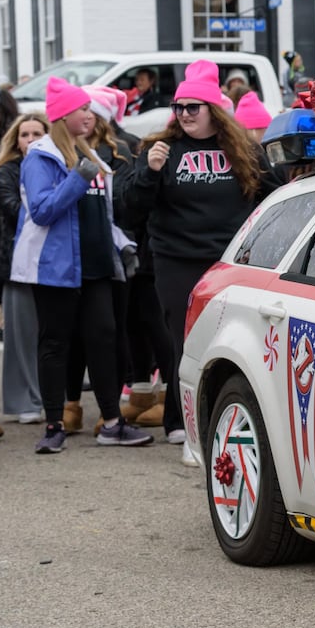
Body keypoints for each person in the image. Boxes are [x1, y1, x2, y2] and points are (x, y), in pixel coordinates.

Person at [118, 60, 282, 446]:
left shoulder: (242, 150)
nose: (185, 114)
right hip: (177, 261)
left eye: (194, 107)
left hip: (231, 264)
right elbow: (129, 210)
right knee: (185, 341)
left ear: (214, 110)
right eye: (180, 107)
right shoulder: (161, 150)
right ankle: (181, 423)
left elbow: (274, 196)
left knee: (233, 342)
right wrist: (149, 173)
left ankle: (227, 419)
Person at [10, 79, 149, 453]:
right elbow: (41, 211)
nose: (90, 114)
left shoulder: (90, 151)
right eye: (82, 109)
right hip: (55, 269)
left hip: (97, 266)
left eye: (89, 108)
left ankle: (113, 424)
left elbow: (99, 217)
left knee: (104, 338)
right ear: (63, 116)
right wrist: (78, 178)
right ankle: (54, 426)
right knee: (55, 344)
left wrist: (123, 245)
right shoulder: (41, 156)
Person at [0, 113, 47, 424]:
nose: (31, 139)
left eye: (37, 133)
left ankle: (51, 396)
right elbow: (16, 211)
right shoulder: (6, 172)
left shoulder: (55, 165)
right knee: (21, 336)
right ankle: (24, 400)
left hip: (53, 263)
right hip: (18, 263)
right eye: (25, 134)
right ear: (16, 140)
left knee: (50, 334)